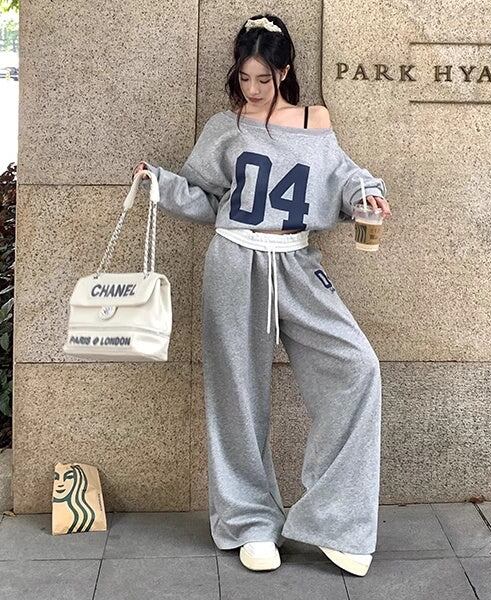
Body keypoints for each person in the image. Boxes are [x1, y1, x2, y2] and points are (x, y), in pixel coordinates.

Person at [131, 13, 391, 577]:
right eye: (245, 77)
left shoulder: (315, 120)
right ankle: (250, 522)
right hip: (234, 261)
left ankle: (334, 521)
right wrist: (161, 184)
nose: (252, 89)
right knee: (238, 396)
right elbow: (206, 198)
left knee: (357, 368)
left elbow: (343, 176)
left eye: (264, 79)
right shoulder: (224, 127)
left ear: (285, 71)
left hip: (297, 261)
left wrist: (365, 196)